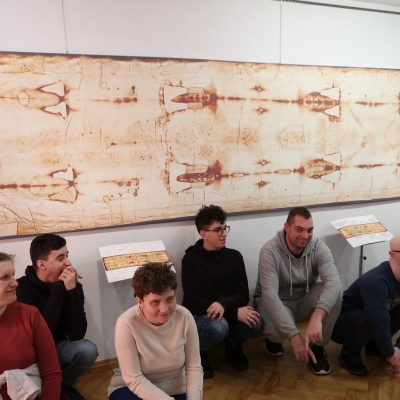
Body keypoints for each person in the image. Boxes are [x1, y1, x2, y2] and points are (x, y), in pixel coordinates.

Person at [253, 206, 342, 375]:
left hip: (303, 299)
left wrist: (317, 316)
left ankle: (317, 347)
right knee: (277, 334)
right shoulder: (269, 250)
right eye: (299, 229)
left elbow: (334, 283)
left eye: (309, 230)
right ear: (287, 227)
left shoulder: (318, 248)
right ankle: (273, 340)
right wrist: (294, 336)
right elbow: (270, 295)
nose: (305, 236)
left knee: (336, 292)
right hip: (278, 300)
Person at [182, 204, 262, 379]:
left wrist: (223, 305)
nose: (224, 233)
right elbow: (194, 302)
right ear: (204, 233)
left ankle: (233, 347)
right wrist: (232, 311)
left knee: (255, 320)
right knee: (218, 327)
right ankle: (200, 353)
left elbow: (242, 294)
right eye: (218, 230)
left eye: (225, 228)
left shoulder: (234, 257)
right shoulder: (190, 260)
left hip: (224, 311)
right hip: (202, 315)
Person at [16, 233, 98, 400]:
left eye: (67, 255)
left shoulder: (71, 286)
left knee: (87, 350)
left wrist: (72, 291)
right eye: (61, 258)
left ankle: (61, 387)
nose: (68, 263)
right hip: (31, 352)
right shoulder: (21, 288)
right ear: (41, 264)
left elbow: (77, 335)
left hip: (57, 348)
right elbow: (41, 333)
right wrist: (59, 288)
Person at [108, 262, 203, 400]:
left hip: (176, 386)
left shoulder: (185, 317)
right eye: (155, 302)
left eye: (170, 299)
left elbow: (194, 367)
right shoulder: (127, 323)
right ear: (140, 301)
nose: (164, 309)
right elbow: (134, 379)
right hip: (132, 388)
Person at [331, 234, 400, 376]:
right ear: (392, 254)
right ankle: (349, 351)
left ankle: (374, 346)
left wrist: (398, 347)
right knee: (371, 317)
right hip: (340, 325)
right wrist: (390, 354)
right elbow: (379, 321)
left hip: (369, 321)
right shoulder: (376, 280)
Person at [0, 252, 62, 400]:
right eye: (4, 277)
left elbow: (51, 373)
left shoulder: (29, 315)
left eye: (13, 275)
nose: (15, 283)